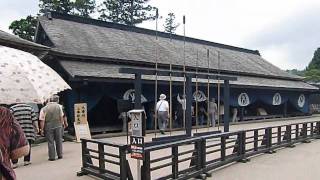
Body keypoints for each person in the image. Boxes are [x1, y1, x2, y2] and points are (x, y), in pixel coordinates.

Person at [0, 106, 29, 180]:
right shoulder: (3, 112)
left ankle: (16, 163)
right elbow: (21, 150)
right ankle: (26, 161)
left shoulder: (12, 109)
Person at [10, 103, 38, 168]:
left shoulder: (12, 109)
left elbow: (9, 120)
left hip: (16, 132)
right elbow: (34, 120)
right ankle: (26, 161)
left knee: (15, 147)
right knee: (28, 145)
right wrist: (37, 128)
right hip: (28, 130)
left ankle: (14, 163)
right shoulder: (29, 108)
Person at [39, 95, 65, 161]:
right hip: (58, 125)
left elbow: (42, 120)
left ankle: (52, 157)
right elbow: (61, 116)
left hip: (48, 126)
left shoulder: (43, 109)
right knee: (59, 140)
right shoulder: (58, 106)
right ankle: (60, 155)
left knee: (50, 142)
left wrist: (41, 129)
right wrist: (62, 124)